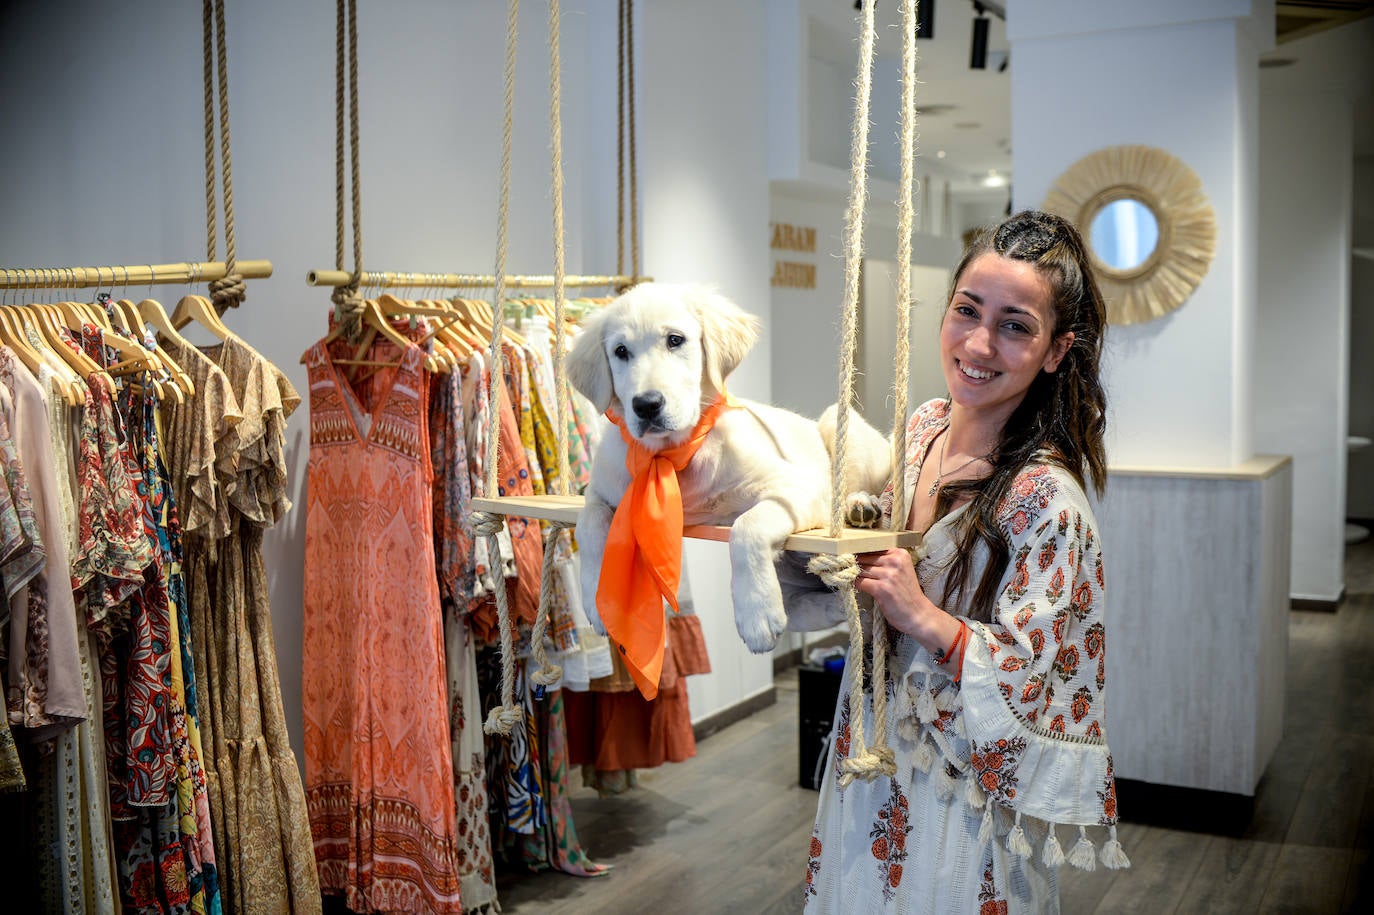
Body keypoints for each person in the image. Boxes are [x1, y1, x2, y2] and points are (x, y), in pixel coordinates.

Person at [796, 210, 1128, 913]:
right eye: (967, 310)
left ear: (1055, 349)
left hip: (957, 784)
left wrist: (922, 616)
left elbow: (1031, 677)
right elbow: (881, 556)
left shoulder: (1048, 499)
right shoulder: (922, 427)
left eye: (1015, 325)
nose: (979, 343)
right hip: (871, 744)